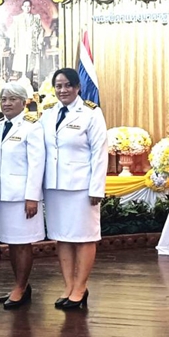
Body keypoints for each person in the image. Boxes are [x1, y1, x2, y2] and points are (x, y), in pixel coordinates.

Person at [40, 67, 108, 310]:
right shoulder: (48, 114)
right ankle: (68, 286)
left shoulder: (91, 113)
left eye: (68, 85)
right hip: (55, 187)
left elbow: (99, 152)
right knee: (63, 238)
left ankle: (81, 287)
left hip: (81, 187)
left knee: (84, 237)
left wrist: (96, 188)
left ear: (78, 87)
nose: (63, 90)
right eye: (58, 85)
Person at [0, 82, 45, 309]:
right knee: (11, 244)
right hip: (3, 195)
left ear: (25, 102)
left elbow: (36, 164)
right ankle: (19, 285)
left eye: (12, 99)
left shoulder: (32, 127)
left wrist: (32, 196)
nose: (7, 103)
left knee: (23, 244)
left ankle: (21, 287)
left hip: (23, 197)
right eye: (4, 99)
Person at [9, 0, 44, 85]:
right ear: (22, 7)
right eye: (25, 6)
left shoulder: (36, 18)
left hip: (32, 44)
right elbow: (13, 32)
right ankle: (22, 82)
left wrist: (39, 41)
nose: (27, 8)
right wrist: (12, 45)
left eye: (29, 6)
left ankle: (31, 83)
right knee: (21, 64)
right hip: (21, 44)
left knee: (32, 64)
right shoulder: (17, 19)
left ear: (31, 7)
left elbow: (41, 30)